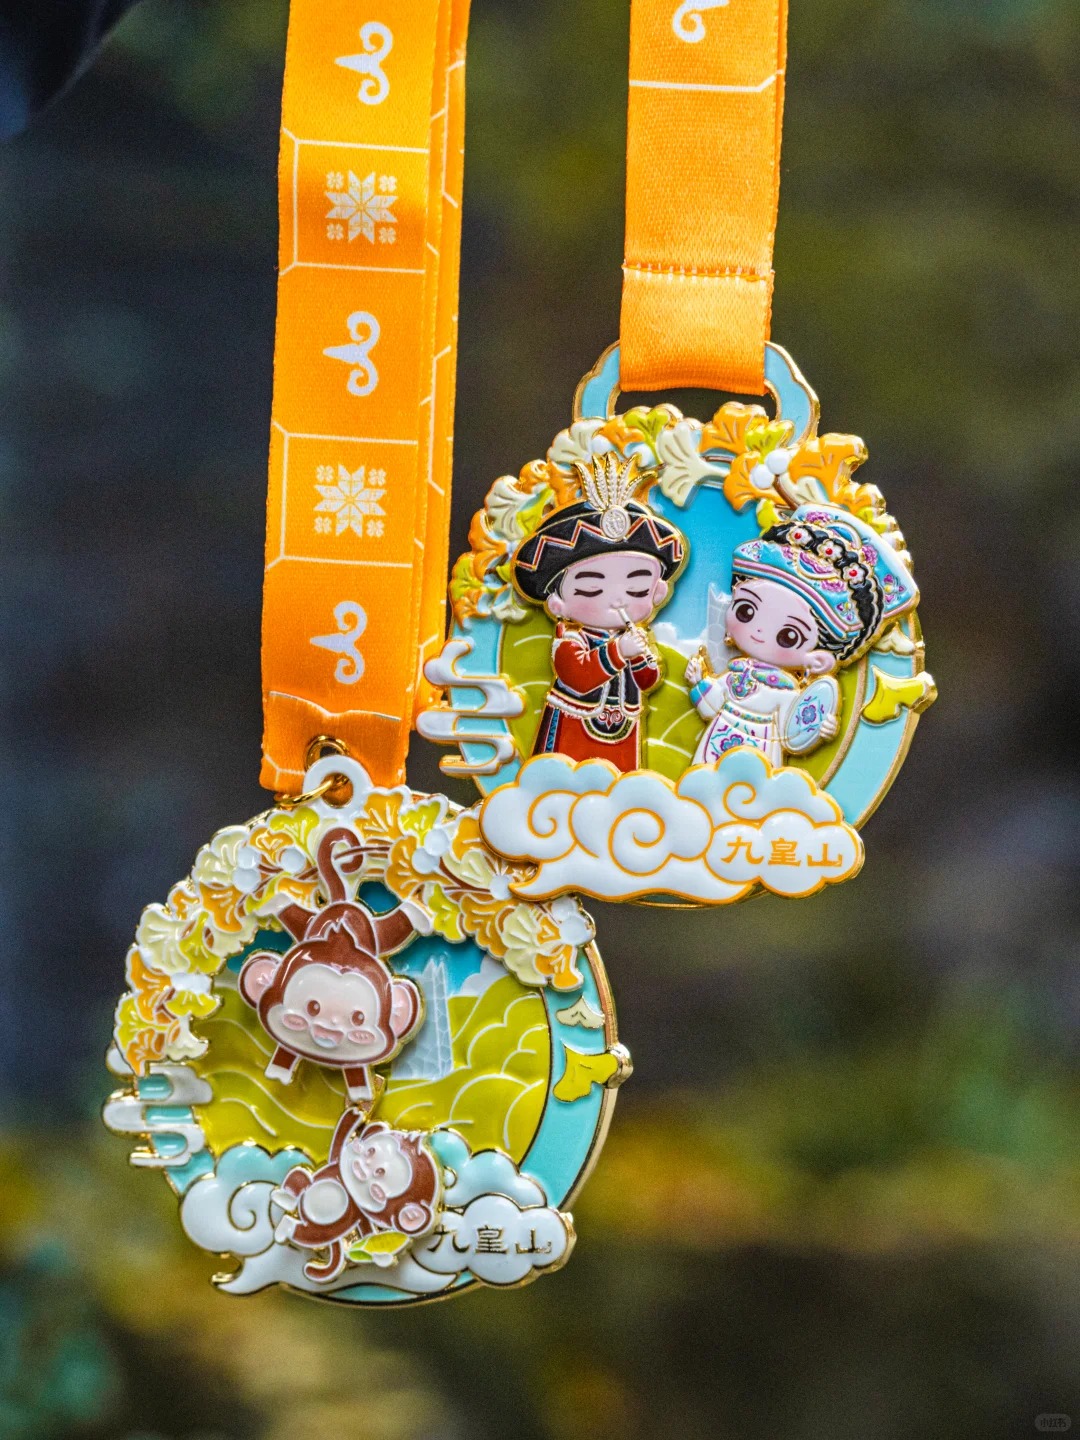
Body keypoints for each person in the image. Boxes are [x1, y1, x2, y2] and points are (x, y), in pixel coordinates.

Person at [686, 505, 918, 767]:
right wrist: (699, 682)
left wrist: (821, 728)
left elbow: (791, 737)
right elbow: (710, 707)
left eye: (788, 636)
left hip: (761, 760)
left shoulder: (785, 693)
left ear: (819, 660)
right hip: (713, 751)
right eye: (746, 611)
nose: (759, 631)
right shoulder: (735, 676)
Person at [511, 453, 687, 772]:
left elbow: (647, 681)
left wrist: (641, 658)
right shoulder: (571, 640)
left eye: (637, 588)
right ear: (557, 603)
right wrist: (619, 652)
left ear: (657, 592)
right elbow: (577, 677)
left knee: (621, 784)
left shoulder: (633, 636)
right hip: (574, 727)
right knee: (564, 781)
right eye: (592, 588)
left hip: (625, 729)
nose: (617, 598)